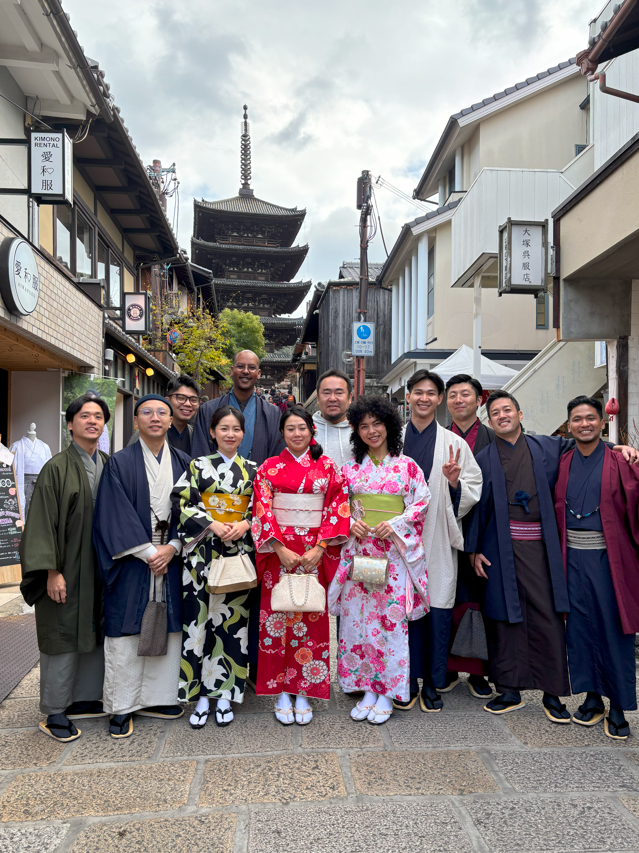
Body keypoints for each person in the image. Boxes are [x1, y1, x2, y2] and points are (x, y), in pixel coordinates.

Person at [465, 390, 639, 720]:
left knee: (549, 618)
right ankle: (510, 690)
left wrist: (619, 447)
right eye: (496, 413)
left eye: (508, 410)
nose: (503, 416)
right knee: (504, 618)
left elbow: (589, 448)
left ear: (520, 413)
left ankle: (552, 693)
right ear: (490, 421)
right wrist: (474, 550)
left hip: (545, 550)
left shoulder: (548, 446)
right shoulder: (484, 457)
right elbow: (477, 506)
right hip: (501, 548)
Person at [94, 395, 191, 739]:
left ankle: (159, 697)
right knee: (127, 630)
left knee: (169, 624)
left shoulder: (183, 461)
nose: (155, 418)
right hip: (135, 558)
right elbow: (112, 513)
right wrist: (150, 551)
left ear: (170, 421)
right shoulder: (119, 463)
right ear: (135, 421)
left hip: (171, 554)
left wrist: (174, 547)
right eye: (147, 412)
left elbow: (194, 513)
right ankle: (121, 706)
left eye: (161, 413)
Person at [328, 396, 430, 725]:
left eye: (377, 423)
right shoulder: (349, 469)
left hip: (393, 553)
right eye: (364, 426)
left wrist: (397, 523)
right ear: (356, 431)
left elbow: (421, 503)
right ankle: (364, 686)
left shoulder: (408, 466)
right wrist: (348, 522)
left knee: (391, 623)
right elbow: (336, 508)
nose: (372, 431)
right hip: (360, 553)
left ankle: (388, 691)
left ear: (390, 425)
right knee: (357, 623)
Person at [251, 407, 350, 725]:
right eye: (290, 428)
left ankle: (304, 689)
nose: (296, 433)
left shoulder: (328, 467)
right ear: (282, 433)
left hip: (313, 553)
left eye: (302, 428)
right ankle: (281, 691)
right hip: (278, 554)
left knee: (312, 620)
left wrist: (321, 547)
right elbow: (262, 508)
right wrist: (277, 547)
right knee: (276, 620)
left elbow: (338, 504)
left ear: (312, 431)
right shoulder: (268, 468)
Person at [20, 395, 110, 742]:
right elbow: (41, 522)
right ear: (69, 424)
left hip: (100, 567)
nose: (92, 421)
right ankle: (55, 709)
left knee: (93, 630)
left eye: (98, 417)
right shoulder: (55, 468)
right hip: (66, 568)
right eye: (84, 416)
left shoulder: (107, 464)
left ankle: (83, 698)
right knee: (62, 634)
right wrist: (50, 571)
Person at [191, 351, 284, 683]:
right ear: (232, 371)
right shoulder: (207, 411)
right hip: (213, 526)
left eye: (251, 367)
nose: (245, 371)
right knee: (213, 601)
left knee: (254, 596)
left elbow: (273, 467)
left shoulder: (272, 413)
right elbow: (198, 465)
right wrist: (213, 521)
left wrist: (253, 516)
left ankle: (253, 668)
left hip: (253, 517)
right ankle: (208, 677)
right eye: (240, 366)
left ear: (259, 373)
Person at [554, 396, 639, 739]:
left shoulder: (620, 460)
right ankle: (591, 698)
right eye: (577, 419)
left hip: (609, 559)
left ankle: (618, 705)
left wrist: (630, 452)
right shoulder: (563, 461)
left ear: (602, 423)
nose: (584, 424)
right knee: (578, 627)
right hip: (571, 558)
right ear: (569, 425)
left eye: (591, 418)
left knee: (613, 628)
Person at [399, 369, 482, 712]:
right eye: (418, 392)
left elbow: (473, 488)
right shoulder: (393, 439)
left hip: (435, 536)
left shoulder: (454, 443)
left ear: (439, 399)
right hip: (396, 542)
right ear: (408, 396)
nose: (424, 398)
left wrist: (453, 484)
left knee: (436, 609)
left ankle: (433, 682)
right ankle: (402, 678)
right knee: (399, 612)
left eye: (431, 393)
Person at [172, 405, 257, 728]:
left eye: (236, 429)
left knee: (233, 625)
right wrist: (212, 523)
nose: (230, 434)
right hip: (202, 554)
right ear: (212, 432)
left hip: (237, 554)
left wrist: (246, 523)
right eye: (224, 428)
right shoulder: (197, 466)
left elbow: (264, 507)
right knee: (198, 623)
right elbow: (181, 500)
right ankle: (200, 695)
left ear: (243, 434)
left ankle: (226, 694)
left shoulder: (253, 469)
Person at [444, 374, 495, 699]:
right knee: (446, 598)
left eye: (466, 395)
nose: (459, 400)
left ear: (480, 400)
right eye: (453, 395)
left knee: (478, 599)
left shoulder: (492, 438)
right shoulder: (439, 438)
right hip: (444, 530)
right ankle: (447, 665)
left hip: (484, 528)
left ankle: (477, 671)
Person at [128, 375, 201, 455]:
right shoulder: (147, 432)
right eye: (181, 398)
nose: (188, 404)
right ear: (168, 400)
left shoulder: (196, 435)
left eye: (193, 400)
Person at [312, 369, 354, 468]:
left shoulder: (361, 431)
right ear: (318, 398)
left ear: (349, 398)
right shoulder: (305, 430)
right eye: (326, 393)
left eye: (339, 393)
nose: (332, 398)